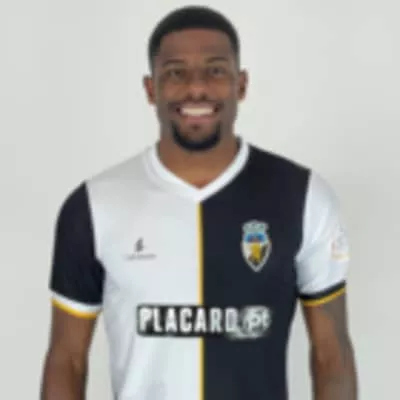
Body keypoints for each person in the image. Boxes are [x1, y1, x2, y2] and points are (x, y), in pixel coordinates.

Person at [40, 5, 358, 400]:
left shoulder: (304, 196)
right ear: (151, 89)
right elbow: (67, 360)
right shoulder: (93, 206)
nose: (196, 88)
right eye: (175, 73)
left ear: (241, 84)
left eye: (216, 70)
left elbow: (332, 355)